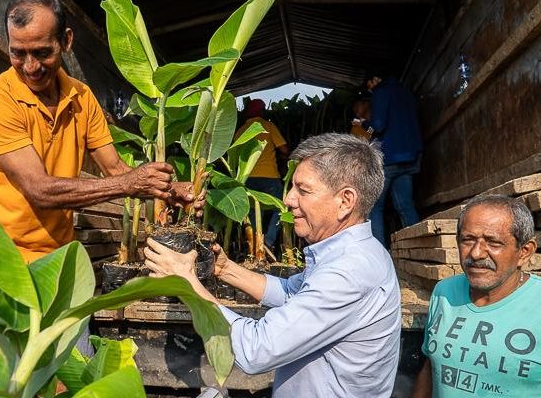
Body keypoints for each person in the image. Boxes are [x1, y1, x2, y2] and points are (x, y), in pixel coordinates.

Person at [0, 0, 199, 279]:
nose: (31, 66)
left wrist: (169, 191)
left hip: (56, 262)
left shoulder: (82, 97)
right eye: (18, 53)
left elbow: (116, 170)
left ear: (66, 41)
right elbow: (39, 189)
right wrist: (128, 184)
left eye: (42, 52)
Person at [144, 133, 401, 397]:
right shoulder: (352, 253)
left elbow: (257, 350)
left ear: (345, 201)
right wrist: (225, 269)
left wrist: (186, 281)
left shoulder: (349, 272)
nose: (288, 199)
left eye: (303, 189)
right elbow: (292, 293)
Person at [412, 195, 540, 398]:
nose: (477, 253)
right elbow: (430, 367)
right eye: (468, 240)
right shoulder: (444, 293)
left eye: (493, 242)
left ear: (524, 252)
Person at [353, 73, 423, 246]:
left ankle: (379, 252)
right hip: (411, 155)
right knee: (405, 204)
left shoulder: (381, 92)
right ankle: (418, 245)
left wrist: (362, 124)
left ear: (373, 80)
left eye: (368, 87)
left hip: (390, 156)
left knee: (374, 205)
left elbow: (378, 126)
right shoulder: (405, 91)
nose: (369, 90)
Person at [234, 98, 289, 249]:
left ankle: (254, 245)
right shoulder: (268, 126)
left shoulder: (241, 130)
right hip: (269, 176)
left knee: (251, 211)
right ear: (263, 111)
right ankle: (269, 242)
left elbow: (234, 154)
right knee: (280, 209)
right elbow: (283, 148)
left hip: (247, 177)